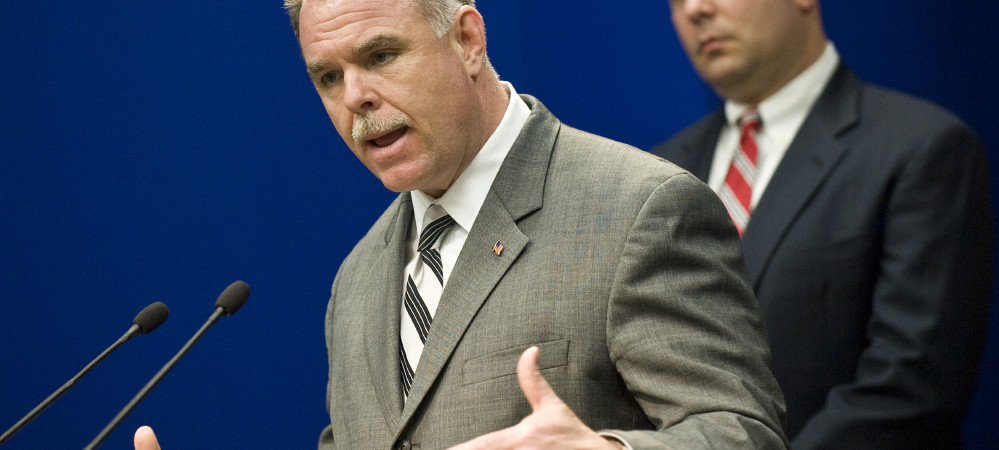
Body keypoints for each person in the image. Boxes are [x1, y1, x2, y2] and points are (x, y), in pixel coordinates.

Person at [135, 0, 787, 448]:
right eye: (328, 76)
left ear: (468, 39)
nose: (355, 95)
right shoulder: (357, 278)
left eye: (382, 55)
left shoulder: (640, 209)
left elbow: (742, 432)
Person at [652, 0, 994, 448]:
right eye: (677, 0)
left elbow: (912, 389)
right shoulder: (659, 171)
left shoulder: (921, 148)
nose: (696, 9)